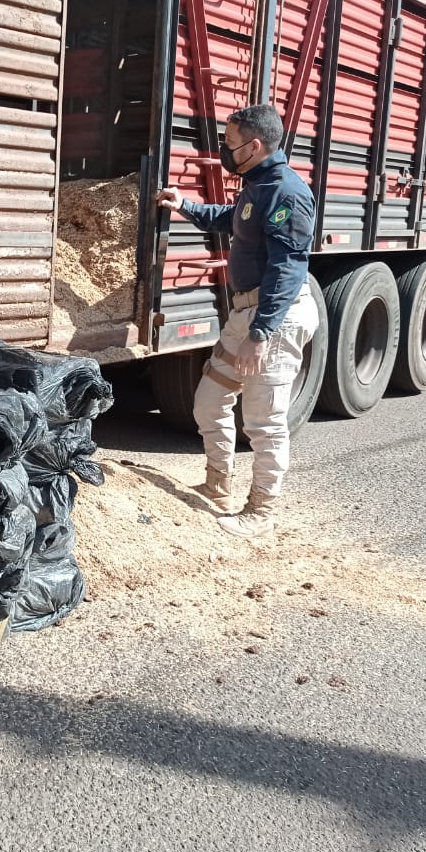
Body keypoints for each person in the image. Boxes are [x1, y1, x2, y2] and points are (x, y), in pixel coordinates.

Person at [156, 104, 319, 538]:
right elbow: (233, 221)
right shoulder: (258, 185)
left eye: (230, 144)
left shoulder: (287, 193)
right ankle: (218, 483)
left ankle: (261, 511)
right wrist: (185, 205)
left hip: (274, 316)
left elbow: (288, 268)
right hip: (247, 310)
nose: (225, 151)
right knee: (209, 400)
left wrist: (261, 333)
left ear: (255, 145)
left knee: (264, 422)